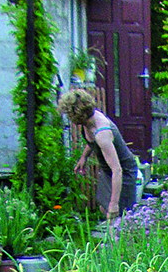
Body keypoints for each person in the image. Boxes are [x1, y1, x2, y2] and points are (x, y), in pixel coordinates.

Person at [58, 88, 138, 222]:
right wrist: (84, 157)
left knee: (118, 216)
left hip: (123, 172)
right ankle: (112, 237)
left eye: (69, 114)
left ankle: (122, 241)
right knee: (103, 207)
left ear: (77, 114)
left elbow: (117, 170)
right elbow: (91, 142)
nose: (69, 118)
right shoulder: (88, 121)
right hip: (108, 171)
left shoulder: (102, 134)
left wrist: (114, 204)